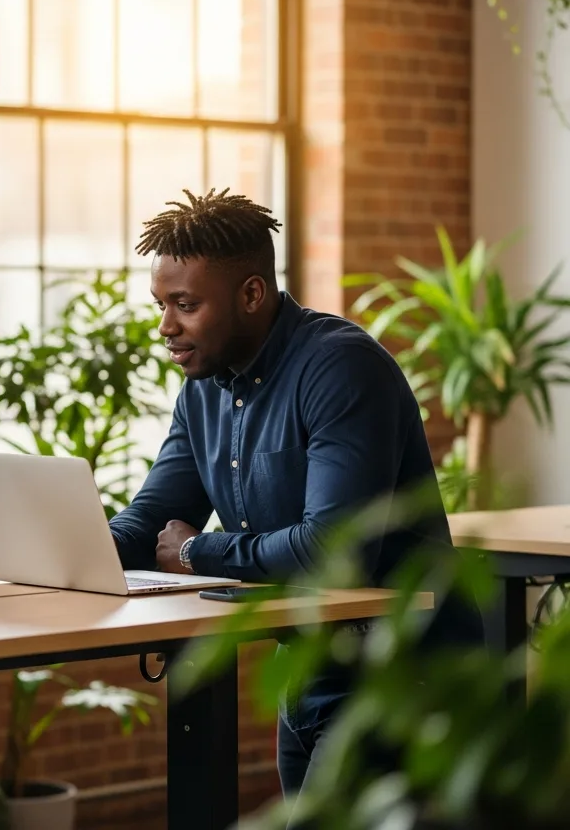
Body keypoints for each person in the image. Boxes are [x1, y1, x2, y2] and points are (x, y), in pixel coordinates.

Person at [107, 188, 483, 810]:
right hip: (308, 670)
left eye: (185, 305)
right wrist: (53, 554)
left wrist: (200, 550)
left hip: (401, 676)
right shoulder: (203, 388)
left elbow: (334, 550)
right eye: (161, 304)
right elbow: (150, 521)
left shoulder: (340, 368)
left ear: (252, 294)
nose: (165, 327)